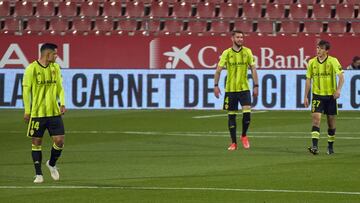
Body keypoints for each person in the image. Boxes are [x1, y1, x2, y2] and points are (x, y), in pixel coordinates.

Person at [22, 43, 66, 183]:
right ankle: (39, 174)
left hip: (54, 112)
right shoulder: (31, 69)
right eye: (54, 54)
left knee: (59, 141)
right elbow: (26, 91)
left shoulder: (55, 67)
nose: (56, 56)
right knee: (36, 142)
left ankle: (51, 164)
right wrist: (27, 111)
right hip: (37, 114)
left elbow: (60, 87)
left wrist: (63, 103)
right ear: (47, 54)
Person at [214, 30, 259, 151]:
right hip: (230, 90)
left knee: (247, 115)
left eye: (242, 37)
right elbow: (218, 70)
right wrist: (216, 85)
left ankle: (244, 135)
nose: (240, 39)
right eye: (238, 37)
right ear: (232, 39)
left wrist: (256, 85)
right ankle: (233, 143)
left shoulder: (247, 51)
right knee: (231, 116)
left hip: (244, 88)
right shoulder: (226, 53)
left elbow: (253, 69)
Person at [304, 40, 344, 155]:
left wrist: (338, 90)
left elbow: (341, 77)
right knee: (316, 120)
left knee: (331, 123)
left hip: (331, 97)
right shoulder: (311, 62)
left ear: (326, 51)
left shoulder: (333, 61)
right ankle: (315, 147)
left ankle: (330, 146)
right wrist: (305, 96)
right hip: (317, 96)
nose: (318, 50)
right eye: (317, 48)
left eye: (321, 48)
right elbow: (308, 80)